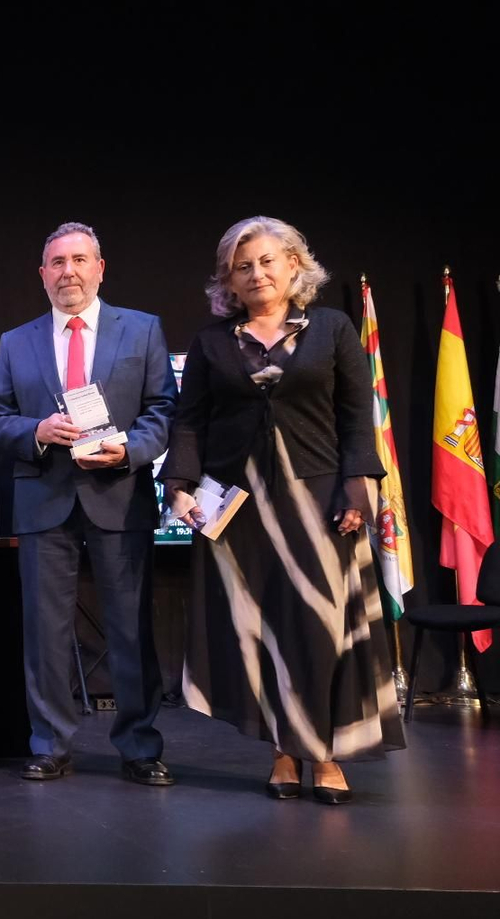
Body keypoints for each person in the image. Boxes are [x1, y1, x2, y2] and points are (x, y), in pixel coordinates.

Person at [161, 216, 404, 803]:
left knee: (319, 627)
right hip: (239, 507)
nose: (257, 273)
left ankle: (324, 754)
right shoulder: (212, 341)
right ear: (229, 281)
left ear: (295, 265)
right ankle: (282, 752)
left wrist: (358, 489)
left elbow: (355, 418)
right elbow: (189, 421)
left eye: (269, 261)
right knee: (262, 629)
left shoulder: (333, 328)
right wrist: (180, 486)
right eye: (243, 267)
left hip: (318, 498)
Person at [0, 222, 177, 785]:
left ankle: (140, 746)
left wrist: (128, 449)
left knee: (131, 629)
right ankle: (49, 743)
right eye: (57, 262)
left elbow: (164, 409)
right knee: (44, 632)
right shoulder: (17, 341)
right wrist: (38, 430)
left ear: (99, 267)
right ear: (42, 274)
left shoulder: (141, 331)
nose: (68, 271)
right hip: (44, 499)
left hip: (120, 496)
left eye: (79, 260)